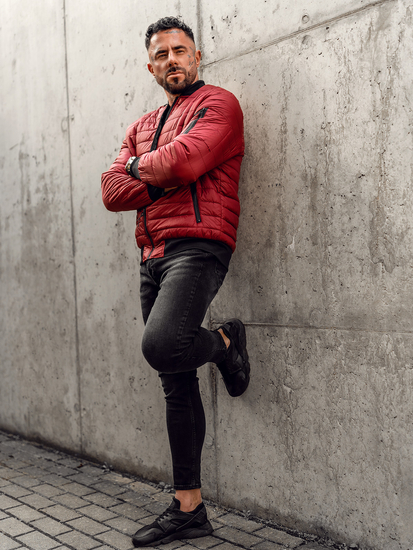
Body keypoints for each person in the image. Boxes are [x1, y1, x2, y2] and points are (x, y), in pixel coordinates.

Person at [101, 16, 250, 548]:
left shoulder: (219, 105)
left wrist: (143, 169)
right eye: (161, 54)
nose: (172, 59)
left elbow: (187, 163)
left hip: (200, 245)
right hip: (152, 256)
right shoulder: (141, 125)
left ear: (197, 55)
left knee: (163, 345)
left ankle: (225, 343)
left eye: (180, 50)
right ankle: (190, 509)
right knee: (174, 374)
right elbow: (111, 192)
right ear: (151, 67)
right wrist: (154, 170)